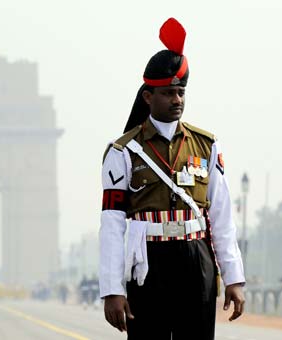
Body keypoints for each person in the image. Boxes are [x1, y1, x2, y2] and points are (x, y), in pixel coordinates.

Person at [99, 18, 245, 340]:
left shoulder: (206, 146)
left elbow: (221, 216)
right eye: (168, 93)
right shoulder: (123, 152)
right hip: (148, 265)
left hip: (197, 261)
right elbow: (112, 224)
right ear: (148, 97)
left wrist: (234, 278)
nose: (177, 99)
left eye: (181, 92)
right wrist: (112, 288)